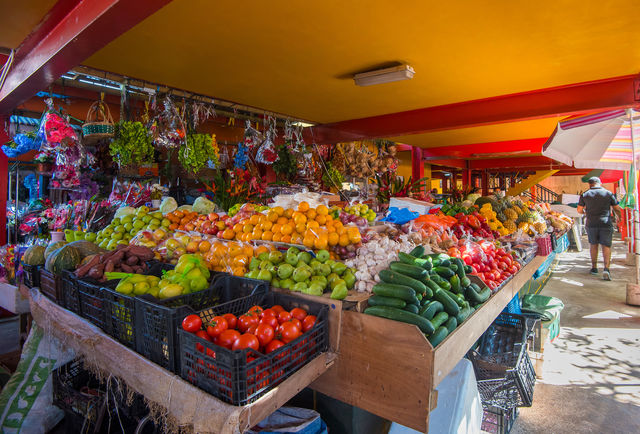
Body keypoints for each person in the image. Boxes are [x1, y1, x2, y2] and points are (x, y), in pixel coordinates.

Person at [577, 177, 622, 280]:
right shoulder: (608, 193)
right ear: (600, 183)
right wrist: (619, 217)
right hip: (605, 222)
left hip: (591, 223)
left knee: (593, 245)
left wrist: (586, 212)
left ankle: (594, 268)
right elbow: (616, 208)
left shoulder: (585, 194)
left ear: (590, 184)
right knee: (606, 245)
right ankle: (606, 269)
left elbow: (579, 210)